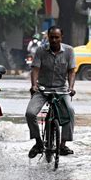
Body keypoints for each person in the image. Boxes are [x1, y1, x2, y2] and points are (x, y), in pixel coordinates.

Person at [25, 26, 76, 158]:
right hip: (42, 89)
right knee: (30, 113)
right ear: (48, 37)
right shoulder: (41, 50)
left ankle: (63, 144)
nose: (54, 40)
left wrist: (71, 87)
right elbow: (35, 69)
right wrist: (33, 85)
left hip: (61, 90)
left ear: (61, 37)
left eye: (56, 37)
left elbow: (71, 71)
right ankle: (38, 143)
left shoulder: (69, 51)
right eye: (51, 37)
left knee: (70, 111)